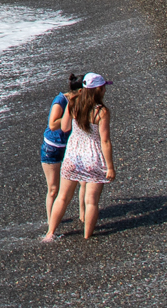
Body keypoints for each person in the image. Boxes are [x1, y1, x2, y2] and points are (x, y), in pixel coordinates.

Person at [43, 73, 114, 240]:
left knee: (62, 197)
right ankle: (87, 236)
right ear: (98, 89)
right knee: (91, 202)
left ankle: (50, 233)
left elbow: (65, 127)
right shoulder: (101, 111)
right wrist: (110, 166)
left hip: (73, 155)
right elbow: (105, 141)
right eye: (103, 87)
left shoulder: (73, 103)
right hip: (93, 157)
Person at [40, 78, 78, 220]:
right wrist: (72, 116)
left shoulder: (79, 101)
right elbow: (52, 124)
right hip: (52, 147)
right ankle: (51, 222)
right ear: (79, 91)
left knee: (81, 181)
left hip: (69, 147)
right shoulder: (60, 100)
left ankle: (83, 215)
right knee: (53, 189)